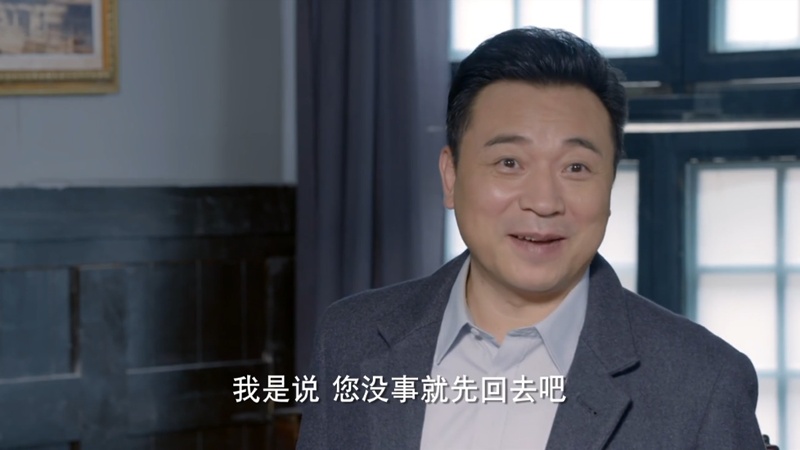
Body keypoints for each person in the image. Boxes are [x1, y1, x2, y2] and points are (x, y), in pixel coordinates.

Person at [297, 27, 765, 449]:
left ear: (609, 184)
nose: (543, 202)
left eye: (576, 167)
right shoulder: (350, 338)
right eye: (509, 163)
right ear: (451, 177)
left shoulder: (704, 383)